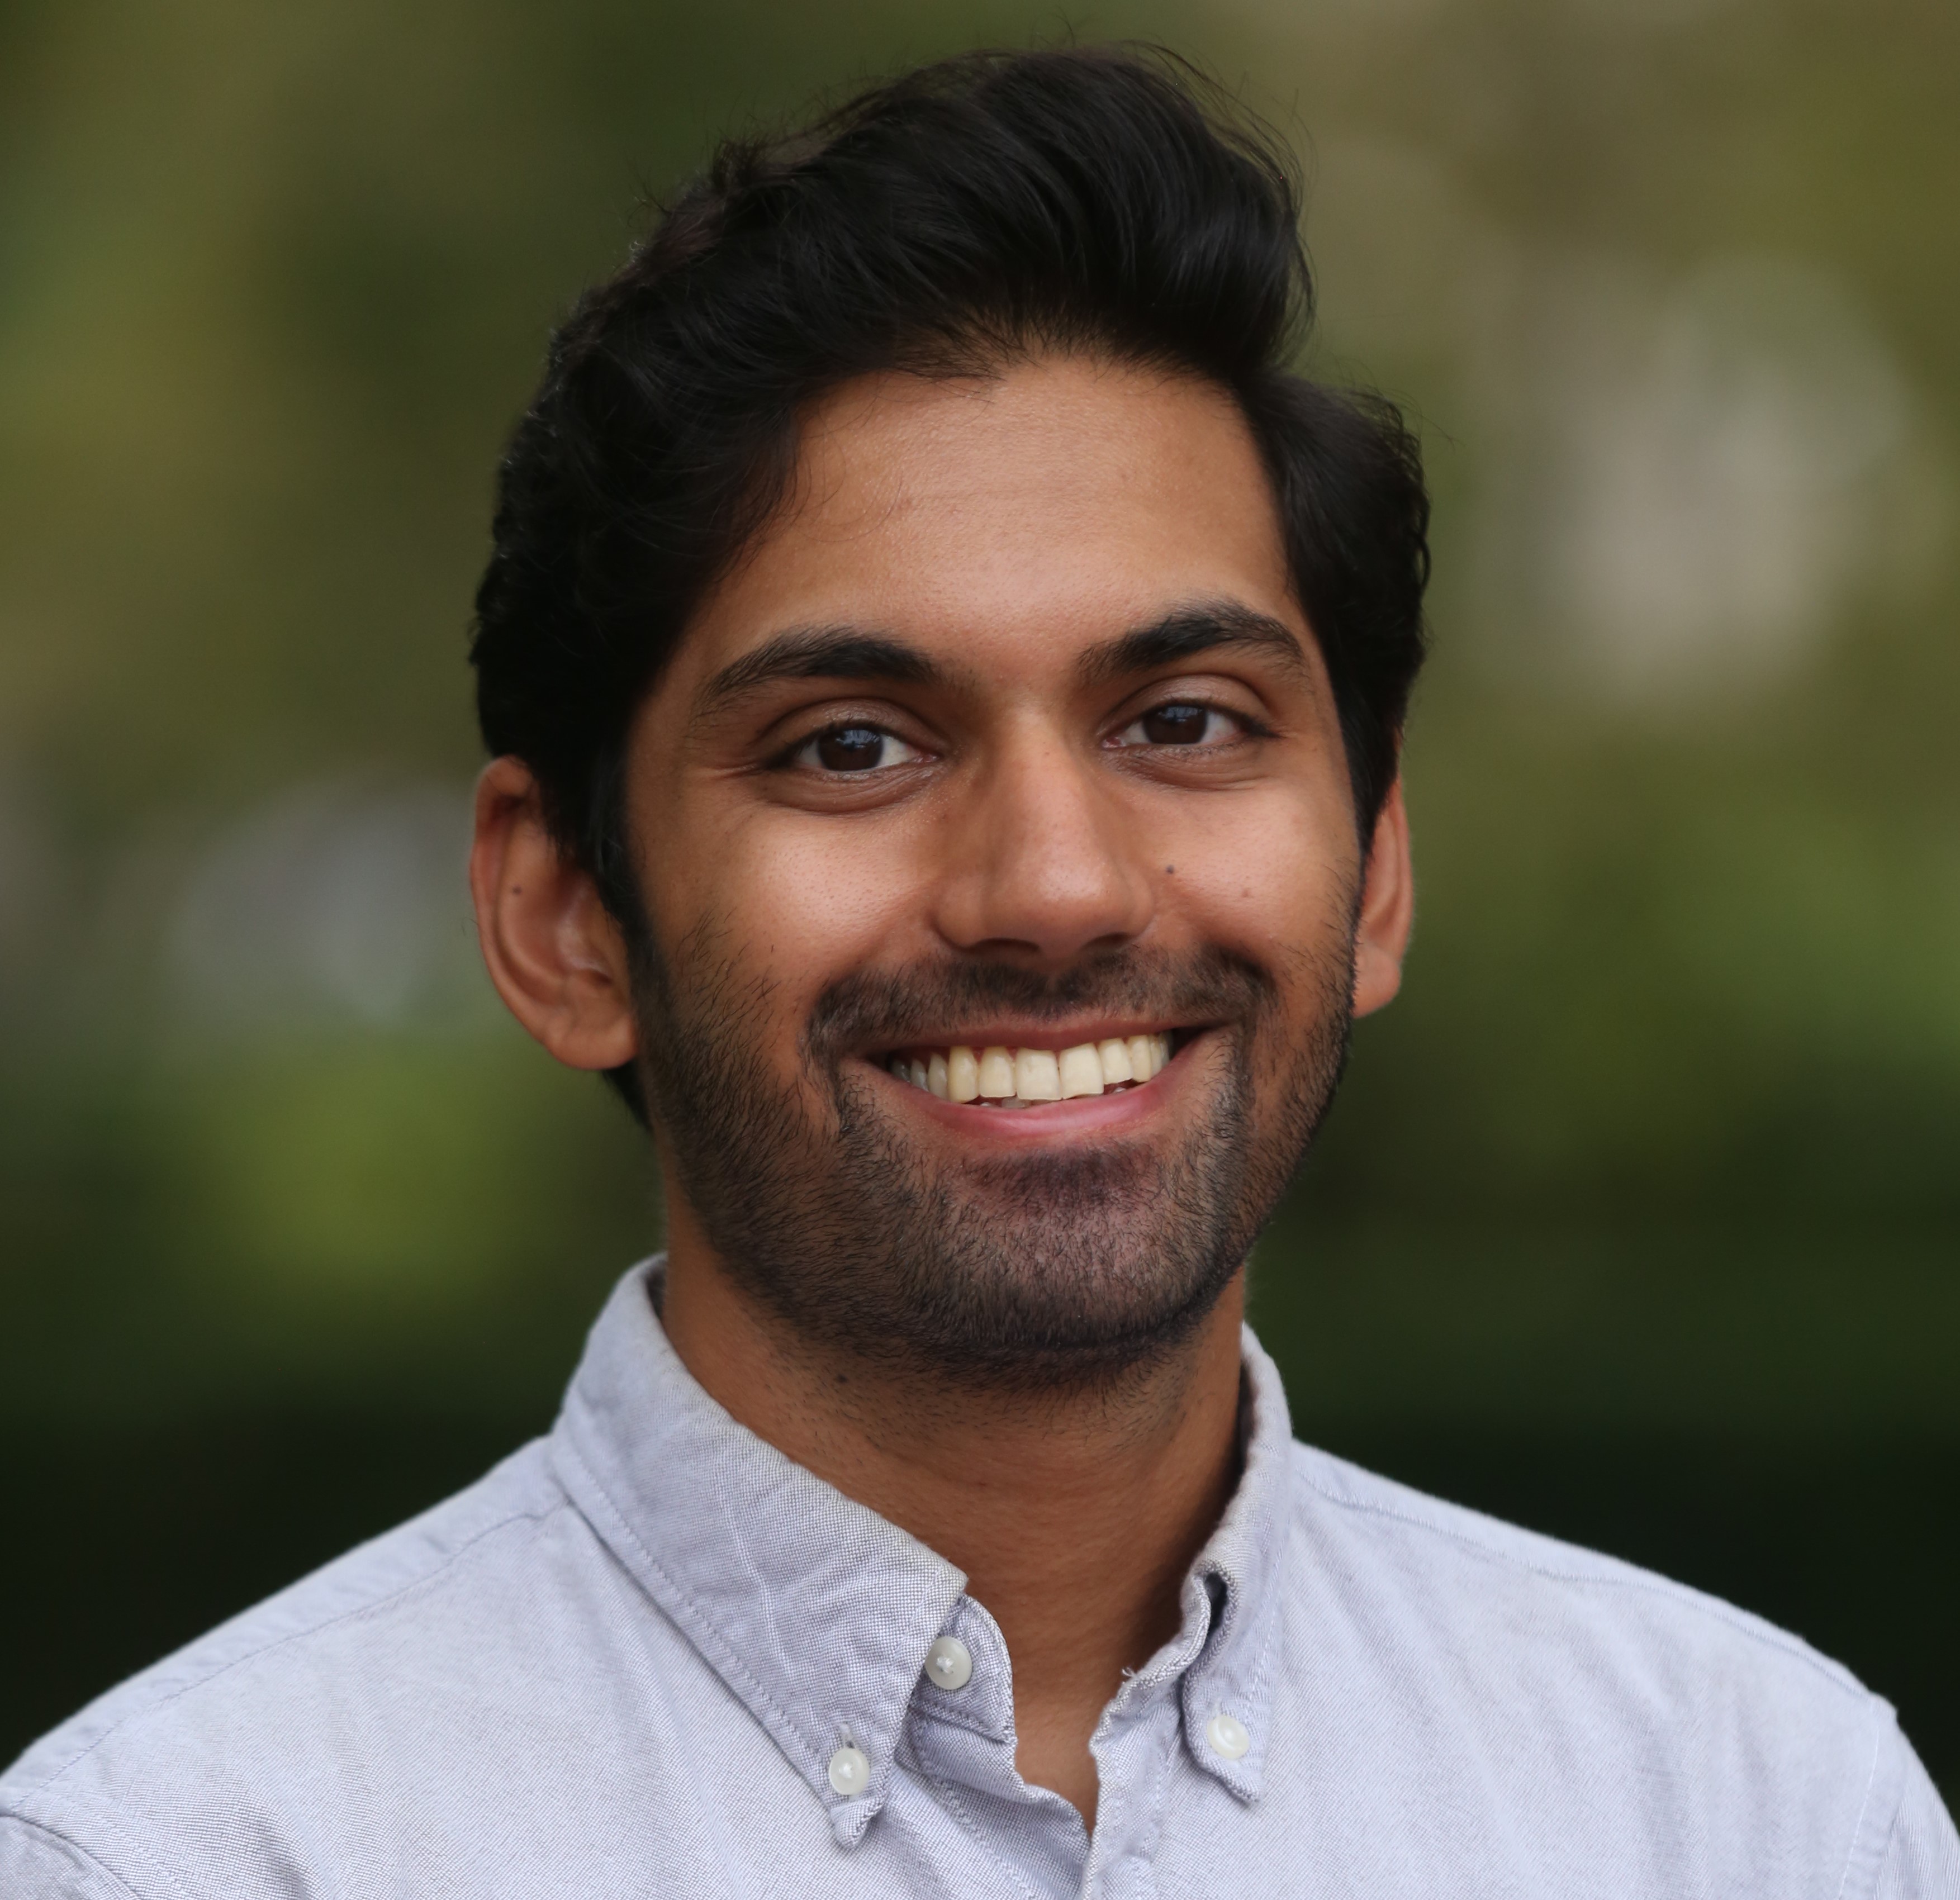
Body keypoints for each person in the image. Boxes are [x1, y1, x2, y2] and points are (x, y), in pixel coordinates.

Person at [3, 44, 1953, 1900]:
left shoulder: (1748, 1816)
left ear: (1372, 874)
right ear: (564, 920)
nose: (1054, 887)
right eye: (852, 744)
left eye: (1183, 722)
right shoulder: (196, 1859)